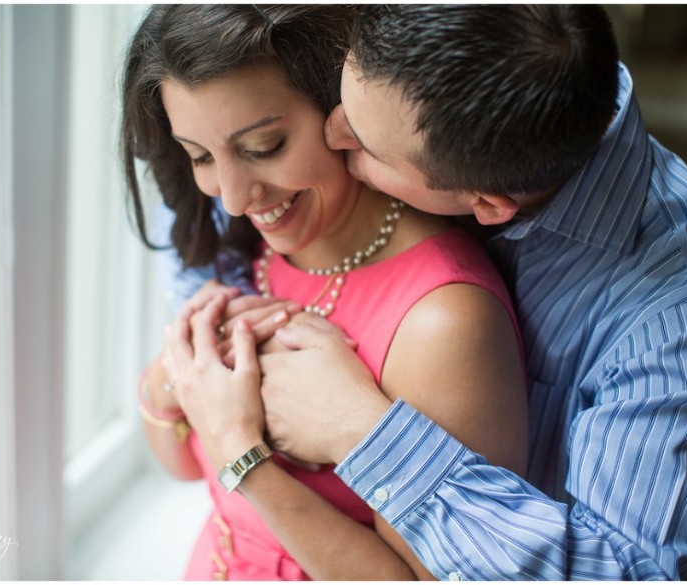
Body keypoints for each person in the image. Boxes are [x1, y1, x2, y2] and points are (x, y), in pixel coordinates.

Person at [164, 4, 687, 581]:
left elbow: (628, 572)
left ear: (485, 206)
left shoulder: (670, 319)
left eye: (363, 144)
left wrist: (361, 429)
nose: (330, 129)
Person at [122, 4, 528, 581]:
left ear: (345, 113)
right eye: (201, 156)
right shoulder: (246, 248)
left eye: (264, 146)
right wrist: (173, 378)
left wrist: (243, 453)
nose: (234, 197)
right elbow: (185, 467)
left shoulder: (443, 320)